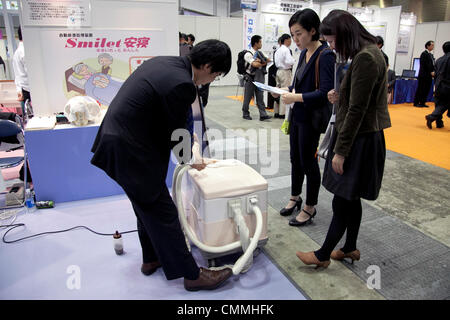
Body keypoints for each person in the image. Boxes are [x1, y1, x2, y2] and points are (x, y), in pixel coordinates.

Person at [90, 39, 233, 291]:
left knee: (145, 206)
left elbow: (170, 122)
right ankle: (192, 275)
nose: (212, 80)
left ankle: (151, 258)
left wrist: (188, 144)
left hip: (120, 144)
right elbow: (179, 137)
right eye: (217, 75)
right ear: (208, 66)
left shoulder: (166, 63)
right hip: (130, 151)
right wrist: (193, 159)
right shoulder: (181, 84)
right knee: (163, 211)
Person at [295, 10, 391, 269]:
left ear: (346, 33)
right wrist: (341, 97)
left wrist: (341, 151)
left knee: (342, 198)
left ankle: (323, 255)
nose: (333, 46)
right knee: (351, 196)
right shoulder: (368, 54)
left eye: (333, 40)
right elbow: (361, 100)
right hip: (361, 135)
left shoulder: (367, 58)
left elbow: (359, 111)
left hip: (359, 138)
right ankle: (349, 248)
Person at [274, 9, 335, 227]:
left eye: (299, 33)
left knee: (309, 162)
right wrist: (283, 91)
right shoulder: (303, 53)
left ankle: (310, 206)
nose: (296, 39)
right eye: (293, 34)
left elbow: (324, 94)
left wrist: (294, 96)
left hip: (311, 118)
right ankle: (295, 196)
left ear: (313, 30)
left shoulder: (325, 55)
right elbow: (298, 85)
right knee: (295, 159)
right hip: (297, 115)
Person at [242, 35, 272, 121]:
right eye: (260, 42)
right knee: (247, 97)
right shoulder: (248, 54)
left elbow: (269, 60)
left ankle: (263, 115)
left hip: (259, 77)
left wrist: (261, 61)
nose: (261, 44)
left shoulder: (260, 53)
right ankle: (245, 113)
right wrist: (262, 62)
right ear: (256, 43)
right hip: (250, 78)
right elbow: (255, 64)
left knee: (260, 96)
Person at [426, 41, 450, 129]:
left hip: (438, 85)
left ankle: (439, 122)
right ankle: (432, 117)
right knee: (444, 104)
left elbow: (435, 74)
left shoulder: (439, 60)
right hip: (448, 86)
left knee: (439, 103)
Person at [274, 33, 295, 119]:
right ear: (286, 40)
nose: (291, 42)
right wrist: (295, 60)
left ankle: (276, 111)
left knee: (277, 91)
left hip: (278, 71)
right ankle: (282, 113)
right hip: (285, 72)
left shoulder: (278, 50)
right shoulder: (286, 50)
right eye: (290, 40)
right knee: (285, 92)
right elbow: (289, 61)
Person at [414, 40, 435, 108]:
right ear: (427, 46)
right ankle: (416, 102)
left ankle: (423, 102)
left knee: (426, 89)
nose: (433, 46)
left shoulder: (431, 55)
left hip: (429, 76)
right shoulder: (424, 54)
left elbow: (432, 65)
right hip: (423, 75)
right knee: (421, 89)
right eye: (432, 45)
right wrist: (430, 71)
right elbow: (424, 65)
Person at [12, 26, 31, 104]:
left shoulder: (17, 52)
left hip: (25, 90)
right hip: (29, 91)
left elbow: (17, 75)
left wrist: (19, 90)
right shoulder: (25, 51)